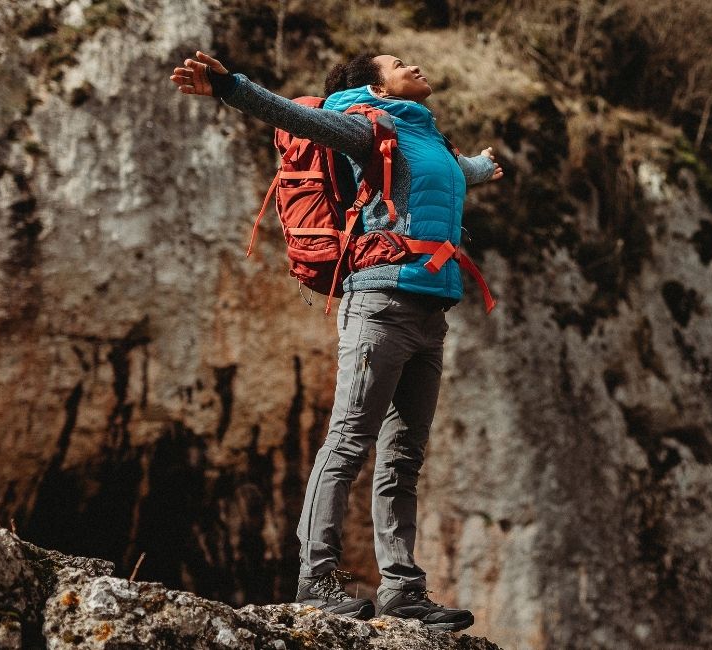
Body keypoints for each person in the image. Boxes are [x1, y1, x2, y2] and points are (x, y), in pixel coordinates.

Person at [170, 50, 502, 630]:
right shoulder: (364, 128)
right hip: (379, 303)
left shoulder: (429, 138)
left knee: (404, 458)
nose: (416, 64)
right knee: (348, 442)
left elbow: (454, 172)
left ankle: (403, 590)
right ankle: (315, 579)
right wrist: (230, 86)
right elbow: (293, 118)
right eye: (400, 62)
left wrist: (481, 166)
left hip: (430, 313)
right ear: (376, 83)